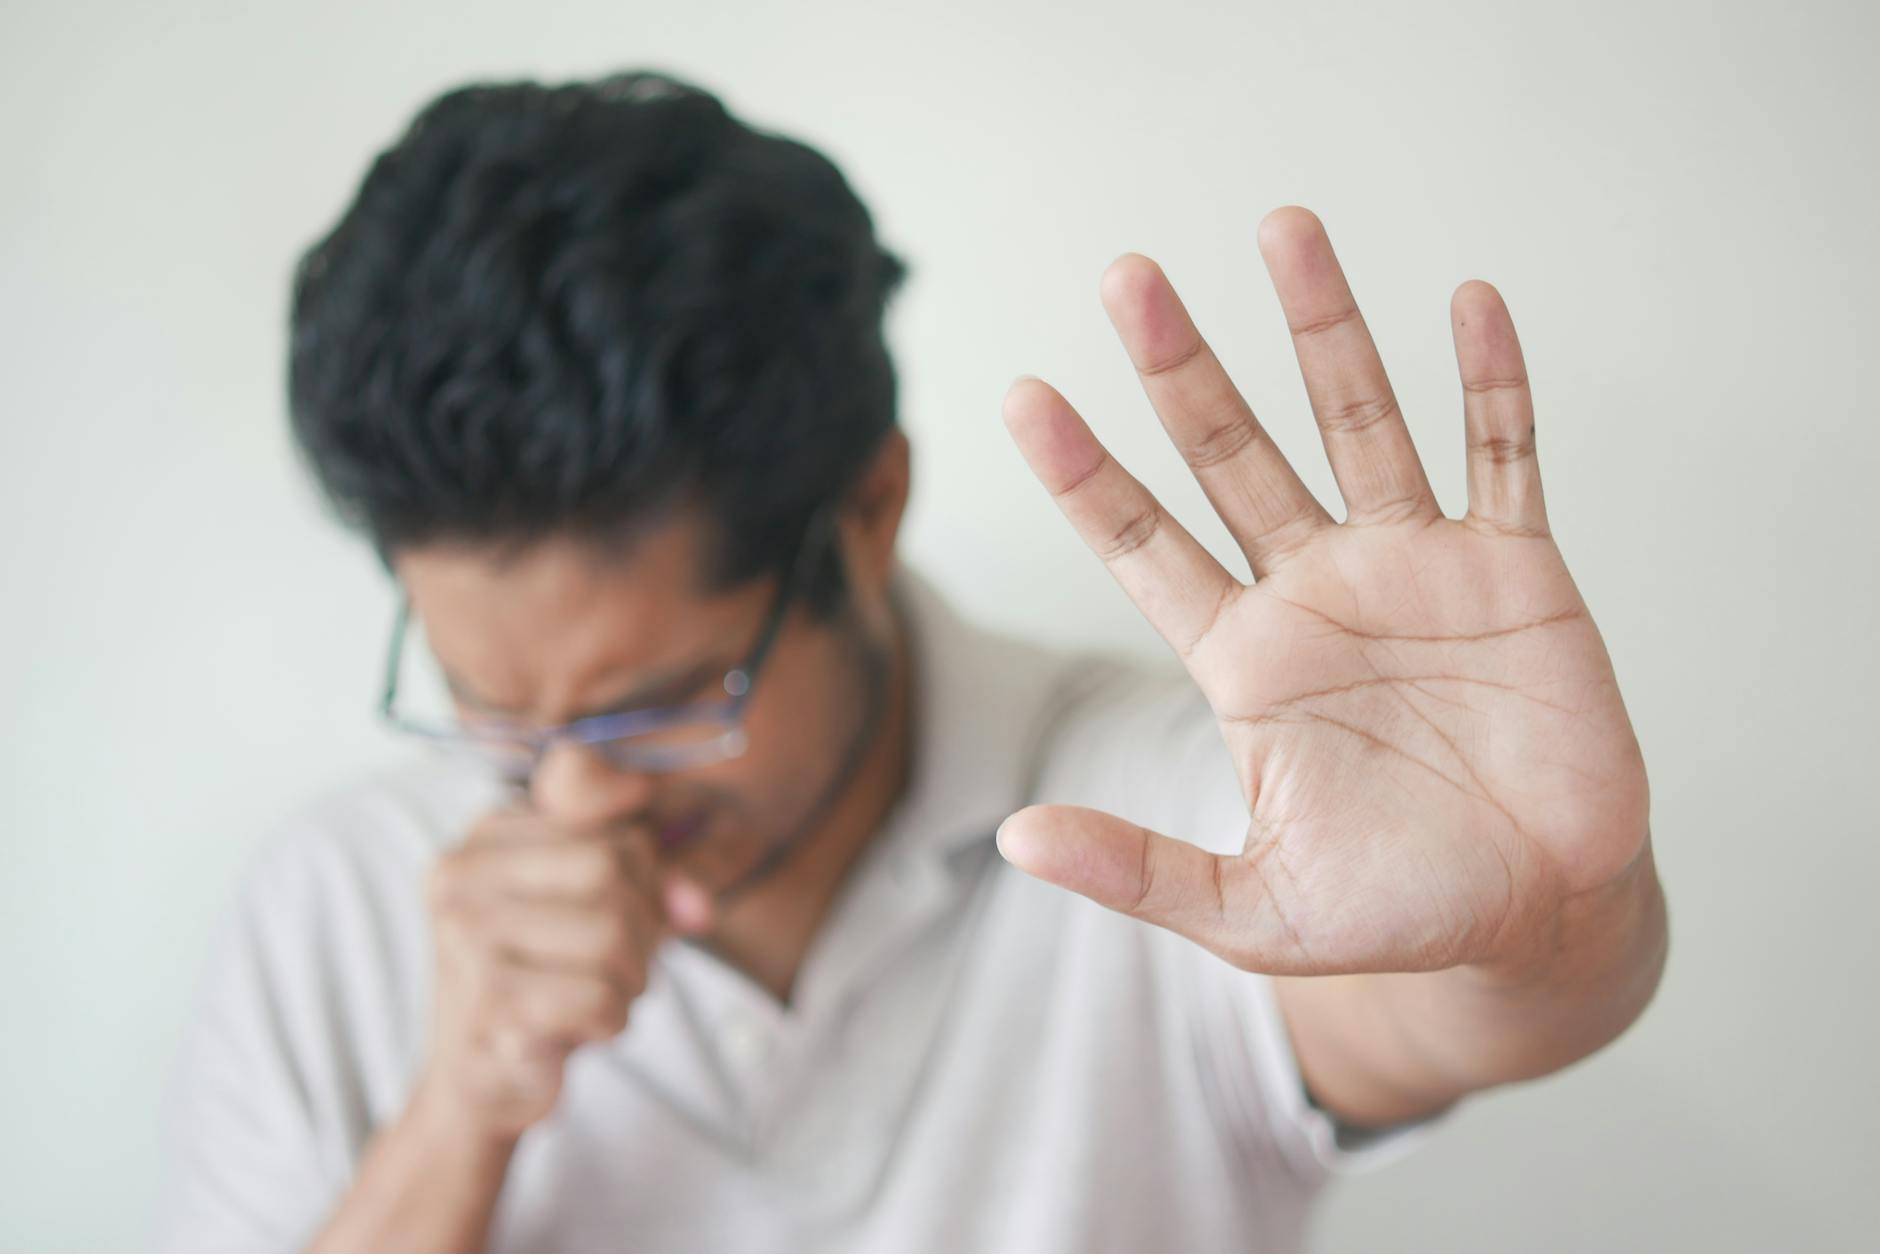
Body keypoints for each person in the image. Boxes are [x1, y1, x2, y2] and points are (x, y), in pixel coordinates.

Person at [156, 69, 1667, 1253]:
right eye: (488, 710)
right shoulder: (336, 904)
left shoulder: (1156, 803)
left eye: (663, 706)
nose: (574, 795)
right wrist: (455, 1121)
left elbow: (1438, 1006)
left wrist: (1541, 922)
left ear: (868, 512)